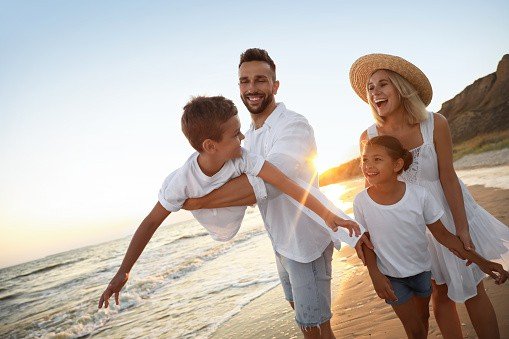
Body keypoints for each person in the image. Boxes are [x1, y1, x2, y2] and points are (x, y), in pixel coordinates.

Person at [98, 95, 361, 310]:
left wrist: (327, 215)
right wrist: (124, 271)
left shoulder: (242, 157)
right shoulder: (182, 183)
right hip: (215, 225)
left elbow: (285, 183)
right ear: (210, 146)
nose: (243, 138)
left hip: (236, 210)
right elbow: (152, 221)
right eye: (236, 134)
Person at [181, 48, 372, 339]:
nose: (252, 88)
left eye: (260, 80)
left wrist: (196, 202)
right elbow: (225, 177)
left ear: (275, 85)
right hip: (280, 241)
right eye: (244, 81)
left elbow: (266, 185)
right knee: (304, 319)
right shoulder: (248, 135)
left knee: (315, 327)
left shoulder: (293, 125)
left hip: (305, 241)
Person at [350, 53, 509, 338]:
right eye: (370, 88)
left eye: (383, 84)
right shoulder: (369, 135)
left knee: (474, 287)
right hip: (410, 225)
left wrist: (461, 227)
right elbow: (371, 190)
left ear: (401, 87)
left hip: (449, 210)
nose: (375, 93)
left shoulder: (435, 123)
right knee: (440, 293)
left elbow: (448, 176)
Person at [354, 135, 508, 339]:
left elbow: (444, 236)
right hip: (391, 278)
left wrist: (482, 262)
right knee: (415, 331)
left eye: (377, 159)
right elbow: (366, 242)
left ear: (397, 164)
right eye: (365, 159)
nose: (368, 165)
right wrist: (375, 275)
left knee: (423, 318)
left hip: (422, 272)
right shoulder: (361, 201)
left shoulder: (419, 196)